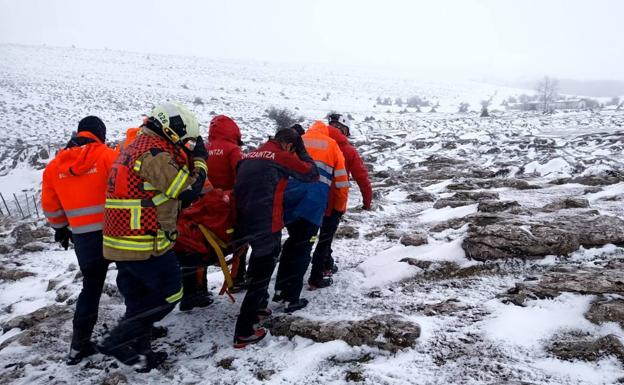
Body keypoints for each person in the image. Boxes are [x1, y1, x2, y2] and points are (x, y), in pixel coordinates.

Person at [98, 102, 208, 371]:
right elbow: (187, 190)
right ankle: (118, 339)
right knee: (171, 292)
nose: (188, 144)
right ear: (171, 131)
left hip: (119, 241)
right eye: (186, 139)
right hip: (145, 242)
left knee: (139, 298)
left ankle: (141, 353)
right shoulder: (153, 153)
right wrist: (201, 162)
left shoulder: (131, 147)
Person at [41, 116, 118, 365]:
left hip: (84, 239)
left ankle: (79, 346)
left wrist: (60, 228)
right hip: (115, 233)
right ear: (99, 134)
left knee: (91, 288)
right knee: (131, 279)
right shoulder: (108, 156)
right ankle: (138, 333)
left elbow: (50, 206)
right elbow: (125, 187)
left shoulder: (54, 166)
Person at [233, 127, 318, 348]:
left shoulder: (251, 154)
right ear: (289, 145)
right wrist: (302, 151)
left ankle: (259, 307)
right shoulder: (280, 156)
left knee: (257, 262)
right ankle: (244, 331)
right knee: (263, 268)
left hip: (242, 218)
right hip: (266, 220)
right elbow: (311, 174)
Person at [275, 121, 349, 308]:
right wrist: (339, 208)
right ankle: (291, 298)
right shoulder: (332, 145)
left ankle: (280, 290)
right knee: (303, 248)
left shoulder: (299, 140)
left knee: (292, 243)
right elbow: (341, 183)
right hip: (313, 202)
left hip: (289, 198)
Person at [178, 115, 245, 311]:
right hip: (224, 209)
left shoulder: (202, 149)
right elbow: (241, 178)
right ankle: (237, 278)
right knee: (238, 243)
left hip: (197, 208)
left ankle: (195, 291)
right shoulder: (233, 150)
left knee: (196, 247)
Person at [311, 113, 372, 285]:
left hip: (304, 199)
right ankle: (319, 272)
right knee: (325, 237)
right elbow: (362, 178)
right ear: (344, 130)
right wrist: (367, 202)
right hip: (333, 201)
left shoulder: (307, 141)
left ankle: (322, 263)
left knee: (307, 236)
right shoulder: (347, 149)